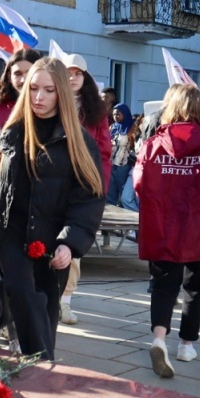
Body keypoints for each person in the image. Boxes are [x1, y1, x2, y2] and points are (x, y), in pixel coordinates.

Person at [0, 58, 105, 359]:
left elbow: (88, 196)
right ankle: (38, 363)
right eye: (34, 89)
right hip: (10, 233)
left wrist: (70, 241)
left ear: (61, 92)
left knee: (46, 307)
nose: (39, 97)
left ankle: (39, 365)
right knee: (22, 294)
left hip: (50, 239)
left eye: (48, 90)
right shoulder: (11, 132)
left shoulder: (78, 141)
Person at [133, 84, 200, 378]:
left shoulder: (154, 143)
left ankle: (159, 338)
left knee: (163, 285)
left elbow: (139, 183)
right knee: (194, 287)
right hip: (199, 226)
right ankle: (186, 345)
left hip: (161, 224)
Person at [58, 54, 112, 325]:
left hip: (83, 182)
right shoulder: (50, 101)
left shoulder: (96, 110)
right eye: (68, 72)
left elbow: (104, 150)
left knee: (72, 242)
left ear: (85, 78)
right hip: (53, 181)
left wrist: (98, 183)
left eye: (78, 73)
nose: (72, 77)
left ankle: (65, 301)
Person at [0, 48, 42, 129]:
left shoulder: (51, 107)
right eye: (18, 74)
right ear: (9, 76)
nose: (23, 80)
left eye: (30, 73)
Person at [107, 103, 134, 205]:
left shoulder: (132, 127)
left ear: (125, 113)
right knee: (110, 196)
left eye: (118, 114)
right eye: (114, 114)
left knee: (123, 196)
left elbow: (136, 145)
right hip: (111, 164)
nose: (116, 116)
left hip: (124, 165)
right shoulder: (112, 127)